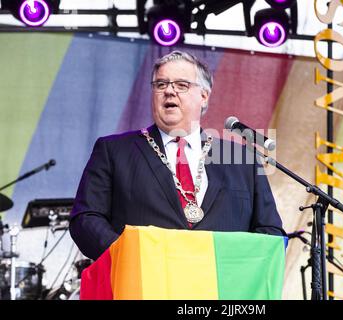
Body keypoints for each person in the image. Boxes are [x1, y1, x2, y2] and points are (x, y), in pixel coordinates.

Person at [69, 50, 285, 261]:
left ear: (204, 96)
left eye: (182, 85)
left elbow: (270, 230)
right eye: (161, 84)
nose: (169, 91)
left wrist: (239, 265)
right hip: (143, 285)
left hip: (220, 287)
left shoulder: (240, 157)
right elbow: (86, 219)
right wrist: (126, 256)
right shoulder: (114, 151)